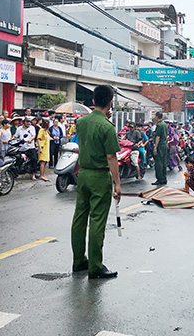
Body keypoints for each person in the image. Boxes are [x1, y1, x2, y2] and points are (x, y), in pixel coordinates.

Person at [71, 85, 121, 279]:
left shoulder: (81, 122)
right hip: (99, 177)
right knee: (97, 221)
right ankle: (95, 266)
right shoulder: (108, 127)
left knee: (79, 218)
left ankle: (78, 261)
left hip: (82, 174)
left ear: (93, 101)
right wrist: (117, 183)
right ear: (110, 103)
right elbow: (111, 157)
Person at [152, 112, 168, 186]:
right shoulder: (165, 124)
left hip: (159, 146)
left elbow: (157, 137)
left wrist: (155, 147)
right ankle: (164, 178)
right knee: (164, 162)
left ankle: (160, 178)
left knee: (158, 163)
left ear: (157, 116)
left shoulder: (159, 125)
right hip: (164, 145)